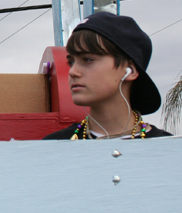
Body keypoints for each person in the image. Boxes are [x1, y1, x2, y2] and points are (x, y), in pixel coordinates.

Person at [44, 12, 172, 140]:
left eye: (88, 59)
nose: (72, 72)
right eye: (71, 62)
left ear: (130, 71)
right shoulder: (54, 147)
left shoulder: (169, 148)